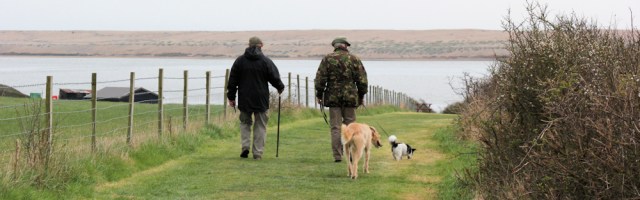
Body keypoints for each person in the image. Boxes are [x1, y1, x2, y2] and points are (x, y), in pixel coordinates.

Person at [227, 36, 285, 160]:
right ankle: (257, 153)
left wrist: (231, 97)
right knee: (260, 125)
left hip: (244, 98)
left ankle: (245, 147)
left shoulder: (240, 61)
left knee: (245, 123)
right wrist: (280, 87)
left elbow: (232, 80)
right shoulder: (265, 61)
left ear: (248, 45)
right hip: (261, 99)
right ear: (261, 45)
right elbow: (274, 77)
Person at [314, 37, 368, 162]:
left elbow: (320, 79)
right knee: (351, 127)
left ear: (335, 46)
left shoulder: (327, 59)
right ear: (346, 46)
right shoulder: (354, 59)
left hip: (333, 98)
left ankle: (337, 156)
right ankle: (350, 154)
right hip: (350, 97)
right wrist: (361, 96)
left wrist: (319, 94)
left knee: (336, 127)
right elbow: (362, 80)